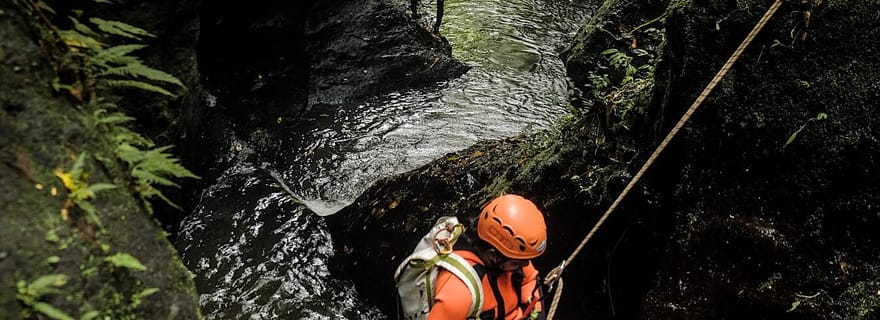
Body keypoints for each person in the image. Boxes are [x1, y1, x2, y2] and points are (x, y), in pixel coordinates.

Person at [428, 194, 547, 320]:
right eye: (517, 263)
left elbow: (529, 280)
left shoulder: (511, 254)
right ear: (492, 254)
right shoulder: (459, 292)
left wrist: (536, 309)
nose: (525, 265)